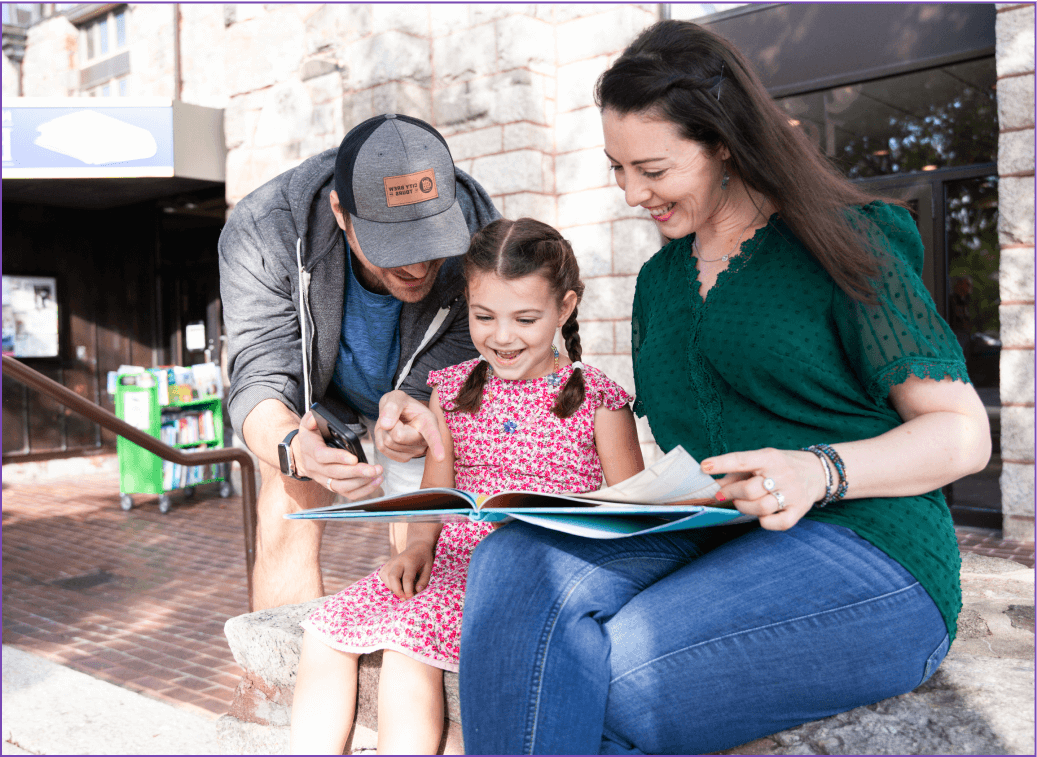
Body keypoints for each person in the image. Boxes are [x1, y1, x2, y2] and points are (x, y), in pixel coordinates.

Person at [458, 20, 992, 755]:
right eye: (617, 168)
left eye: (651, 169)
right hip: (715, 533)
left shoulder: (846, 241)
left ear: (723, 144)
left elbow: (962, 432)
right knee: (510, 558)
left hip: (868, 549)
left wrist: (818, 469)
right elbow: (688, 445)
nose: (629, 193)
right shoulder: (658, 281)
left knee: (601, 683)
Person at [288, 217, 645, 754]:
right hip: (450, 561)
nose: (501, 336)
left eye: (525, 318)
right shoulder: (451, 391)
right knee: (324, 630)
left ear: (565, 308)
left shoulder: (597, 398)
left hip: (532, 572)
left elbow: (635, 508)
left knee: (410, 648)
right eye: (483, 317)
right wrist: (417, 545)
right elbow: (438, 486)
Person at [219, 114, 500, 610]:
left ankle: (409, 656)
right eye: (392, 249)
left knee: (421, 524)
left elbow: (463, 349)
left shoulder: (477, 230)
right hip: (314, 398)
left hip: (416, 390)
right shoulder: (264, 230)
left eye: (430, 246)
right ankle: (280, 682)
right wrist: (294, 446)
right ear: (341, 214)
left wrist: (414, 413)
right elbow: (259, 376)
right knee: (289, 498)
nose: (416, 268)